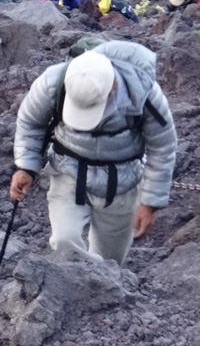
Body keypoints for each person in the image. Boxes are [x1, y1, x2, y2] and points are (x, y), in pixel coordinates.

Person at [10, 41, 176, 265]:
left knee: (110, 261)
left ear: (113, 86)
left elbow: (162, 147)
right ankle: (68, 291)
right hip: (69, 173)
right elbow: (30, 122)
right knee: (64, 242)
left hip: (122, 183)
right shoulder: (53, 82)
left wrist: (150, 202)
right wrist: (26, 167)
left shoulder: (143, 92)